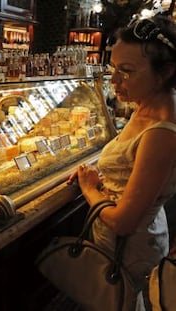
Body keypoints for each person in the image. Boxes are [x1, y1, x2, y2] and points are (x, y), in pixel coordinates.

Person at [67, 14, 176, 309]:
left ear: (164, 73)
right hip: (131, 243)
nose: (114, 79)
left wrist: (90, 187)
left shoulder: (161, 132)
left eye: (126, 71)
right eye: (113, 67)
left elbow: (124, 221)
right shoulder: (145, 106)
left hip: (130, 251)